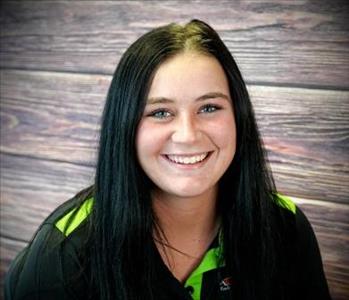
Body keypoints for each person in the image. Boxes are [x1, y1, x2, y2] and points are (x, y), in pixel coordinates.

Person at [4, 19, 331, 300]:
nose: (187, 134)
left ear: (239, 117)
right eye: (160, 112)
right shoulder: (63, 254)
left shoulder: (285, 226)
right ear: (125, 126)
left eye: (209, 107)